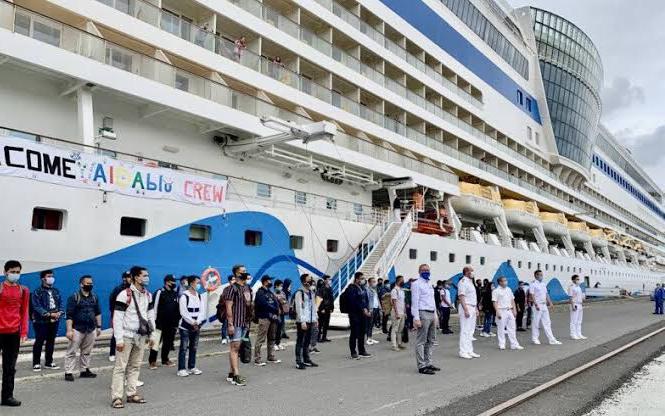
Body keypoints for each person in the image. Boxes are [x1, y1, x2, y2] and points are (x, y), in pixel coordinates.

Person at [111, 266, 154, 409]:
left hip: (141, 336)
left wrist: (151, 334)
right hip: (127, 335)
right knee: (120, 368)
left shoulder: (148, 295)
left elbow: (150, 315)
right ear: (136, 277)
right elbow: (117, 318)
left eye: (147, 275)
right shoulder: (124, 295)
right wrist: (119, 339)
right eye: (144, 275)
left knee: (135, 366)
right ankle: (117, 397)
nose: (147, 278)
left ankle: (131, 394)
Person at [0, 260, 29, 407]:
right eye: (12, 272)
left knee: (10, 367)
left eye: (18, 272)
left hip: (13, 333)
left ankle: (7, 397)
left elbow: (24, 312)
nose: (15, 274)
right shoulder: (0, 289)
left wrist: (23, 331)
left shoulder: (23, 290)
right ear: (6, 272)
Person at [64, 275, 102, 382]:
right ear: (81, 284)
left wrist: (99, 327)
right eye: (87, 283)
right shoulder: (74, 297)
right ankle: (68, 372)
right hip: (77, 329)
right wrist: (69, 330)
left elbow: (98, 313)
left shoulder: (94, 297)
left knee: (87, 351)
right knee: (72, 351)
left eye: (91, 283)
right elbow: (69, 315)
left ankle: (84, 370)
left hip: (91, 329)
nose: (90, 285)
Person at [221, 268, 251, 386]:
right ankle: (236, 376)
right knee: (235, 348)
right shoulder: (230, 289)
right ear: (237, 273)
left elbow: (248, 305)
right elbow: (228, 308)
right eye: (243, 271)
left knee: (237, 349)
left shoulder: (247, 288)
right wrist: (230, 324)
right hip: (235, 323)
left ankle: (231, 373)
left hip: (244, 323)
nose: (246, 272)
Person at [31, 269, 63, 371]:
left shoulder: (56, 291)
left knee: (51, 341)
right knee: (39, 341)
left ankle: (49, 362)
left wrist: (59, 313)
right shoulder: (37, 292)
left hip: (54, 320)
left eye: (52, 276)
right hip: (41, 321)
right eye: (49, 276)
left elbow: (61, 304)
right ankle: (36, 363)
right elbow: (37, 306)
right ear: (43, 279)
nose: (51, 278)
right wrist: (49, 314)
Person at [411, 264, 439, 375]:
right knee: (421, 341)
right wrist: (416, 318)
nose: (426, 271)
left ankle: (428, 363)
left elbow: (432, 301)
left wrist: (436, 315)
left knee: (431, 340)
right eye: (423, 270)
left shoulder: (429, 284)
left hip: (431, 313)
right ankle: (421, 366)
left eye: (427, 270)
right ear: (419, 271)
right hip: (423, 313)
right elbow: (415, 302)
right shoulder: (416, 284)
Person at [148, 275, 179, 369]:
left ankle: (165, 359)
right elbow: (154, 307)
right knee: (156, 343)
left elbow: (176, 308)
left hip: (171, 323)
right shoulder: (159, 292)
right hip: (159, 323)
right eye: (172, 282)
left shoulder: (174, 293)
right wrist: (154, 322)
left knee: (168, 342)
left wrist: (176, 323)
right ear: (167, 282)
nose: (174, 283)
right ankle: (152, 361)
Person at [528, 270, 561, 345]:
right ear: (536, 276)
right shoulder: (533, 284)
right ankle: (535, 338)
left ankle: (551, 339)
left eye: (542, 275)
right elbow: (532, 295)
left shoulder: (543, 284)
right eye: (539, 275)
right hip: (538, 305)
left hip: (544, 305)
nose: (541, 276)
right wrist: (535, 304)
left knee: (547, 322)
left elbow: (546, 294)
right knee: (536, 322)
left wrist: (550, 302)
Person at [253, 275, 281, 366]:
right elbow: (263, 304)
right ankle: (257, 359)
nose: (270, 282)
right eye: (269, 280)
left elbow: (275, 303)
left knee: (272, 338)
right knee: (261, 339)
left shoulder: (270, 292)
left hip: (273, 318)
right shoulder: (260, 292)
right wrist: (274, 310)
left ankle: (271, 356)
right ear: (265, 281)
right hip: (264, 318)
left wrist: (277, 311)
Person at [294, 274, 318, 369]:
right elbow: (299, 308)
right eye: (309, 279)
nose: (311, 281)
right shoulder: (299, 293)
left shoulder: (311, 292)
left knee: (307, 341)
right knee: (300, 341)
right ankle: (298, 361)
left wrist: (315, 318)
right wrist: (302, 321)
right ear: (304, 282)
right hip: (303, 321)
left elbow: (313, 306)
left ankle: (306, 359)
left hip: (311, 320)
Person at [346, 272, 372, 359]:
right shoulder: (351, 288)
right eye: (361, 278)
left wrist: (367, 309)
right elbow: (353, 301)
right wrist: (362, 309)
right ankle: (353, 352)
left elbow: (365, 300)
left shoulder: (362, 288)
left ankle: (362, 350)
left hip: (363, 314)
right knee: (354, 333)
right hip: (354, 314)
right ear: (357, 279)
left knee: (362, 332)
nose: (363, 280)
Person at [492, 276, 523, 350]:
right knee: (501, 328)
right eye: (504, 281)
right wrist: (497, 312)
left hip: (509, 310)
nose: (506, 282)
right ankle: (502, 344)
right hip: (501, 310)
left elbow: (512, 300)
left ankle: (514, 344)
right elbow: (494, 302)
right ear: (500, 282)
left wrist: (514, 310)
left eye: (506, 280)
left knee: (512, 328)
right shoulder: (496, 291)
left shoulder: (508, 289)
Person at [108, 271, 132, 362]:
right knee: (116, 333)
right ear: (124, 279)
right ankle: (112, 353)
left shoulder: (133, 289)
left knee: (127, 334)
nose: (130, 279)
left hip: (129, 316)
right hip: (118, 314)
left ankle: (125, 353)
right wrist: (114, 314)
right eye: (128, 277)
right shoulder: (118, 289)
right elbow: (112, 302)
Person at [458, 266, 480, 359]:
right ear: (467, 272)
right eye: (472, 271)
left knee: (470, 331)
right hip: (466, 307)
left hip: (472, 307)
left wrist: (476, 309)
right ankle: (463, 351)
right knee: (465, 330)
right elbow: (461, 296)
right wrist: (466, 309)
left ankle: (469, 350)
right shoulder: (462, 282)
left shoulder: (470, 282)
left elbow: (472, 297)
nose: (473, 272)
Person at [390, 275, 406, 351]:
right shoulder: (394, 290)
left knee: (400, 329)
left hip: (402, 312)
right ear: (399, 281)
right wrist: (396, 313)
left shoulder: (401, 290)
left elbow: (403, 302)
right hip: (396, 312)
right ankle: (394, 345)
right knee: (395, 329)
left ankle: (399, 343)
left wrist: (404, 312)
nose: (404, 281)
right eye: (402, 280)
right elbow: (394, 302)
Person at [568, 275, 587, 340]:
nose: (578, 281)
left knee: (579, 321)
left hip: (580, 304)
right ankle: (573, 334)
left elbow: (580, 296)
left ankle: (579, 333)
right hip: (575, 304)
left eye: (578, 279)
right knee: (574, 320)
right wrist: (573, 306)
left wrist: (583, 300)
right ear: (573, 280)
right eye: (577, 279)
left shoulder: (578, 287)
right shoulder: (571, 287)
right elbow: (570, 297)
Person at [317, 275, 334, 343]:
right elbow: (319, 299)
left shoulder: (329, 288)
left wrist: (331, 307)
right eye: (329, 279)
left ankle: (324, 337)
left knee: (326, 323)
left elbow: (331, 299)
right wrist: (321, 308)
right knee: (320, 323)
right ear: (325, 280)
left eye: (330, 279)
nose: (330, 281)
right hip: (323, 308)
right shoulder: (321, 288)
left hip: (328, 308)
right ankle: (318, 337)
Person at [220, 275, 236, 345]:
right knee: (225, 324)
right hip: (227, 309)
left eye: (235, 279)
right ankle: (224, 338)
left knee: (233, 325)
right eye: (233, 279)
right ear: (229, 281)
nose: (234, 281)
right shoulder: (226, 289)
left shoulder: (237, 288)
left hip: (235, 311)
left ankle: (231, 337)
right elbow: (223, 299)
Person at [273, 279, 288, 351]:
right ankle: (274, 344)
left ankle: (278, 343)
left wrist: (283, 300)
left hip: (282, 313)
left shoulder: (282, 293)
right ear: (276, 286)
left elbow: (285, 300)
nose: (281, 287)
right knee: (275, 329)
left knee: (280, 329)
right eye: (280, 286)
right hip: (276, 313)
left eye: (282, 286)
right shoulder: (273, 293)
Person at [366, 277, 381, 345]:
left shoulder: (374, 290)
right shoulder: (367, 290)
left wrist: (379, 306)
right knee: (369, 324)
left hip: (376, 308)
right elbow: (367, 300)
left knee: (372, 324)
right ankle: (368, 338)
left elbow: (377, 299)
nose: (374, 283)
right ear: (369, 282)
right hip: (371, 308)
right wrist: (369, 309)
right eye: (373, 281)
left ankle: (370, 337)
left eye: (375, 281)